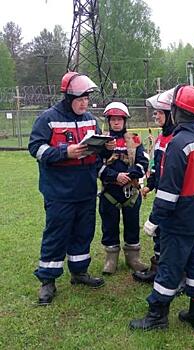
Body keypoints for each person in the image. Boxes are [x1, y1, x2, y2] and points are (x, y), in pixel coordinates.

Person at [129, 84, 194, 332]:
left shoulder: (178, 143)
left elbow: (169, 191)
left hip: (179, 217)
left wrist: (154, 219)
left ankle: (157, 316)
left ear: (177, 110)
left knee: (168, 266)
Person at [28, 71, 114, 306]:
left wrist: (107, 147)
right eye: (80, 99)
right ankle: (48, 280)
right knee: (56, 235)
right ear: (67, 97)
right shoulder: (47, 119)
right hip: (59, 192)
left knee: (83, 232)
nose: (84, 103)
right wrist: (65, 152)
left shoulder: (91, 119)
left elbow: (98, 155)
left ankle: (79, 272)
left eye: (87, 99)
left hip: (85, 190)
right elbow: (36, 148)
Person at [97, 102, 149, 275]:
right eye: (113, 119)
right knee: (109, 225)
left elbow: (143, 162)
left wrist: (130, 175)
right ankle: (111, 259)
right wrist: (113, 176)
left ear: (125, 120)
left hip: (131, 192)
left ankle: (133, 258)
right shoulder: (101, 140)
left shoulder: (134, 139)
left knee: (132, 225)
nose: (116, 123)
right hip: (109, 193)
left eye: (119, 119)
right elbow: (95, 164)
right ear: (109, 121)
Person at [133, 88, 175, 283]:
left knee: (168, 232)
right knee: (159, 231)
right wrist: (150, 185)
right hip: (162, 194)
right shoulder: (161, 137)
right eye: (155, 112)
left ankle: (171, 272)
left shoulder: (177, 138)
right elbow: (157, 166)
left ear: (170, 114)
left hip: (174, 198)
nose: (155, 115)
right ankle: (158, 267)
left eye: (159, 112)